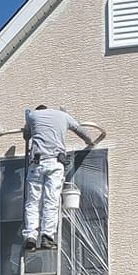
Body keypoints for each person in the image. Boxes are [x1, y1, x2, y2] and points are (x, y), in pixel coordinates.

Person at [21, 105, 104, 251]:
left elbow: (26, 135)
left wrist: (29, 129)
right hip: (54, 163)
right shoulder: (63, 116)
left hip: (37, 164)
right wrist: (90, 142)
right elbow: (81, 131)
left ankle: (30, 237)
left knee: (33, 202)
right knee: (51, 200)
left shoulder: (32, 116)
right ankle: (47, 237)